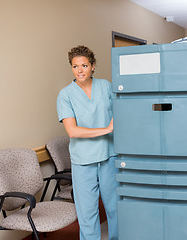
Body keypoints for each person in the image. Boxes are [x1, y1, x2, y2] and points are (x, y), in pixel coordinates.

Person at [57, 45, 119, 239]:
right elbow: (72, 131)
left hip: (109, 155)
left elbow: (122, 113)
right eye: (75, 66)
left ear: (93, 66)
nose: (80, 70)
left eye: (84, 65)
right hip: (83, 160)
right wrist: (107, 129)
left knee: (116, 207)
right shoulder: (65, 95)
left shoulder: (106, 86)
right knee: (87, 213)